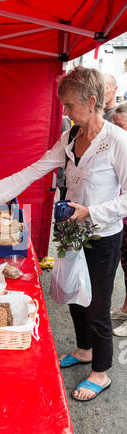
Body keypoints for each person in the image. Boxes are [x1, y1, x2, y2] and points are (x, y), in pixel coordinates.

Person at [0, 66, 127, 402]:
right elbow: (37, 167)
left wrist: (92, 212)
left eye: (69, 106)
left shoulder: (117, 141)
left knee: (97, 305)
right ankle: (84, 350)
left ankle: (100, 372)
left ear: (92, 101)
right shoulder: (70, 136)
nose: (65, 112)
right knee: (73, 295)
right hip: (72, 233)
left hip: (101, 237)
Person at [110, 101, 127, 337]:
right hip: (122, 219)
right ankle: (125, 309)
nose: (114, 129)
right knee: (126, 268)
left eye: (119, 125)